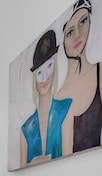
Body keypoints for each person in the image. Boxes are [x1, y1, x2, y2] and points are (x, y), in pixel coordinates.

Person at [56, 0, 102, 154]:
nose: (78, 34)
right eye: (70, 32)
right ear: (63, 40)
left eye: (83, 21)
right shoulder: (58, 94)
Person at [20, 30, 73, 168]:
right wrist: (32, 164)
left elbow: (69, 158)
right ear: (34, 80)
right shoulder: (26, 128)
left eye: (49, 66)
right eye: (39, 72)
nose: (45, 78)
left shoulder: (65, 109)